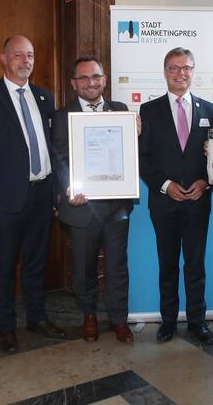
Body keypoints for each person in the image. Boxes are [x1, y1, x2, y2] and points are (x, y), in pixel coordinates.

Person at [0, 35, 65, 353]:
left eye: (30, 55)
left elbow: (53, 148)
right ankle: (6, 328)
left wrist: (56, 192)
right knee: (5, 267)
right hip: (6, 200)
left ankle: (37, 318)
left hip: (42, 195)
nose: (26, 61)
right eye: (18, 55)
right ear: (3, 58)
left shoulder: (44, 97)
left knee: (37, 262)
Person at [139, 47, 213, 344]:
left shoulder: (209, 110)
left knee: (196, 265)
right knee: (168, 264)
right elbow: (143, 158)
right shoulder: (149, 110)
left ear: (193, 71)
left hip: (198, 201)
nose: (180, 73)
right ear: (165, 72)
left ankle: (198, 321)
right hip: (164, 202)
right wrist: (165, 185)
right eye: (173, 68)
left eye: (186, 67)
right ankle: (168, 321)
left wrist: (205, 182)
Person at [52, 56, 135, 343]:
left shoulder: (121, 111)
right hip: (81, 207)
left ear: (104, 79)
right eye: (84, 78)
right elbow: (59, 159)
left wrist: (135, 134)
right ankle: (89, 315)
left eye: (96, 76)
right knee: (83, 268)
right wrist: (69, 188)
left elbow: (129, 155)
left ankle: (118, 319)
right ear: (74, 83)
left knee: (117, 267)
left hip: (116, 207)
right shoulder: (62, 117)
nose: (91, 82)